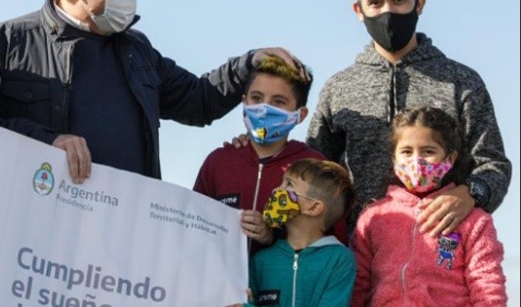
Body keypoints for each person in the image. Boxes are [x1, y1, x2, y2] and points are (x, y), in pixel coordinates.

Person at [0, 0, 304, 183]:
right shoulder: (4, 42)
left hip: (126, 230)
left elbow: (198, 100)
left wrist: (247, 64)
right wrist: (47, 142)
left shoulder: (138, 51)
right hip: (38, 224)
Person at [306, 0, 511, 234]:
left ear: (419, 3)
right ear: (358, 10)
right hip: (357, 260)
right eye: (375, 2)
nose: (387, 11)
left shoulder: (462, 82)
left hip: (442, 260)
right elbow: (312, 172)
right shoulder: (338, 89)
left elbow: (494, 164)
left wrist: (471, 193)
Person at [351, 106, 507, 305]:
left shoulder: (474, 221)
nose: (417, 161)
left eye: (428, 151)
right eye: (406, 151)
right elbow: (359, 285)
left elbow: (487, 284)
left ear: (449, 159)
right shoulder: (373, 217)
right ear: (394, 159)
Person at [193, 55, 328, 250]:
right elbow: (192, 228)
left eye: (278, 101)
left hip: (280, 280)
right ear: (244, 103)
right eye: (256, 98)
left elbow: (328, 245)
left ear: (300, 115)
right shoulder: (219, 162)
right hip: (220, 279)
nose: (264, 109)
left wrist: (273, 236)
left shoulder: (314, 168)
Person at [239, 158, 356, 307]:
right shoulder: (260, 261)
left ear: (313, 208)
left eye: (289, 185)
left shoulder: (340, 260)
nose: (276, 190)